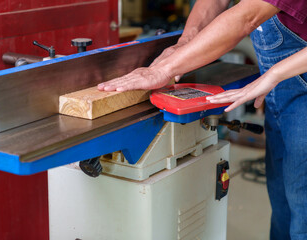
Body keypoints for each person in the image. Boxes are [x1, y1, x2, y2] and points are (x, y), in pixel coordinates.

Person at [98, 0, 307, 239]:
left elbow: (247, 17)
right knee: (284, 210)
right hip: (280, 92)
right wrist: (185, 46)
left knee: (303, 215)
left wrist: (164, 70)